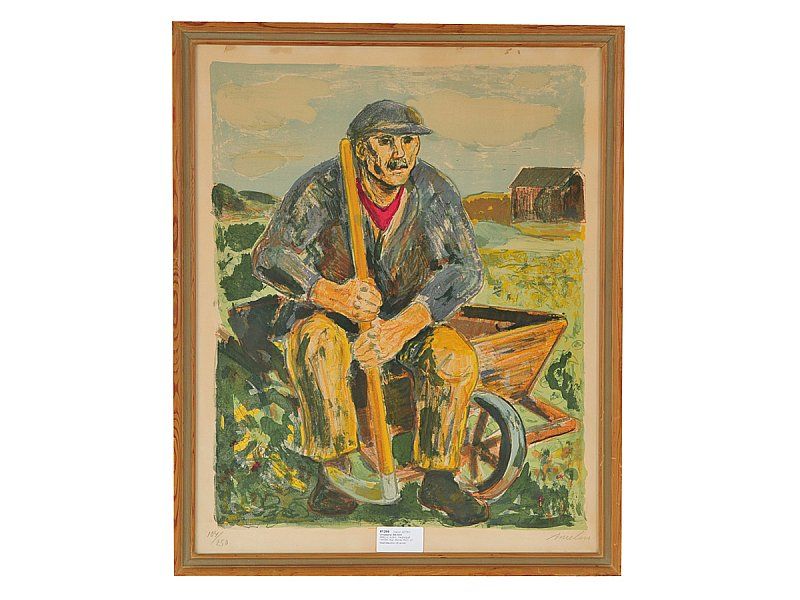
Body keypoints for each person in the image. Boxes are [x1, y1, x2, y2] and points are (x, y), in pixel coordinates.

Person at [252, 100, 487, 525]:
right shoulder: (324, 187)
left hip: (410, 318)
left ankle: (438, 479)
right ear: (361, 149)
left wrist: (403, 326)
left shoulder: (433, 190)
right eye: (386, 142)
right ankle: (337, 471)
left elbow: (467, 268)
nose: (400, 154)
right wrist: (329, 293)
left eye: (408, 141)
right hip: (332, 316)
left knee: (455, 358)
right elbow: (270, 254)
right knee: (316, 345)